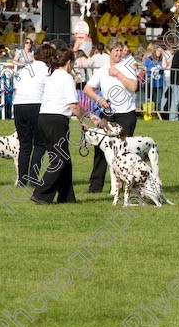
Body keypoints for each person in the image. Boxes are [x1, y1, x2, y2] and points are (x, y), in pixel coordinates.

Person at [31, 49, 90, 204]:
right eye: (74, 63)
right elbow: (74, 105)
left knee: (64, 159)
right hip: (56, 121)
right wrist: (84, 119)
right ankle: (41, 194)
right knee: (60, 160)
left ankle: (66, 197)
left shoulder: (52, 75)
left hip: (43, 119)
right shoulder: (66, 77)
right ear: (69, 62)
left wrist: (87, 116)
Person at [84, 37, 138, 193]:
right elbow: (88, 89)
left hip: (126, 114)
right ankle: (95, 186)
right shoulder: (101, 70)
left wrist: (118, 74)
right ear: (109, 51)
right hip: (108, 114)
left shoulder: (127, 67)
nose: (119, 53)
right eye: (116, 50)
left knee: (124, 151)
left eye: (121, 50)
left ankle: (123, 186)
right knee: (101, 150)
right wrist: (99, 99)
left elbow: (134, 86)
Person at [13, 44, 53, 186]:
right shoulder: (47, 71)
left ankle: (22, 179)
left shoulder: (26, 69)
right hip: (35, 105)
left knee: (24, 145)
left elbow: (17, 87)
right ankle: (33, 177)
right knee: (40, 144)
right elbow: (49, 92)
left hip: (18, 105)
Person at [143, 44, 165, 111]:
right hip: (151, 83)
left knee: (158, 100)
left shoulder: (161, 61)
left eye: (161, 51)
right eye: (158, 51)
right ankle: (151, 112)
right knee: (152, 99)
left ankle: (157, 112)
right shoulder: (148, 60)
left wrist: (163, 57)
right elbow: (144, 68)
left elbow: (165, 66)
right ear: (154, 51)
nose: (160, 52)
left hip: (160, 83)